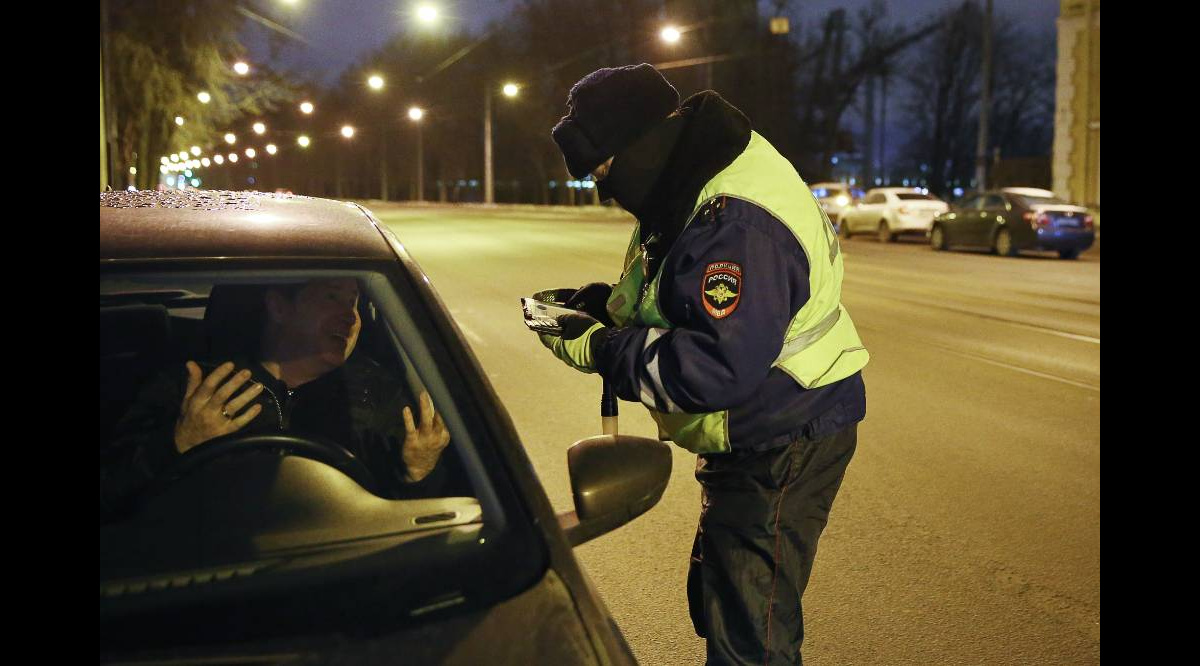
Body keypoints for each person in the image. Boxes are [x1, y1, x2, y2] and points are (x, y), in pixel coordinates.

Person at [539, 64, 870, 664]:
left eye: (604, 172)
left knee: (751, 629)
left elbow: (714, 367)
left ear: (639, 145)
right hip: (765, 426)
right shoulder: (694, 178)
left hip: (782, 433)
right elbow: (685, 303)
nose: (605, 192)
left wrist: (598, 347)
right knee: (725, 595)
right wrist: (604, 312)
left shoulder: (733, 221)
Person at [100, 277, 452, 519]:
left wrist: (418, 472)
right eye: (332, 297)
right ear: (279, 307)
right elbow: (111, 496)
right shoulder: (193, 387)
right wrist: (177, 443)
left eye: (354, 302)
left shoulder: (378, 392)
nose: (351, 316)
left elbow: (411, 518)